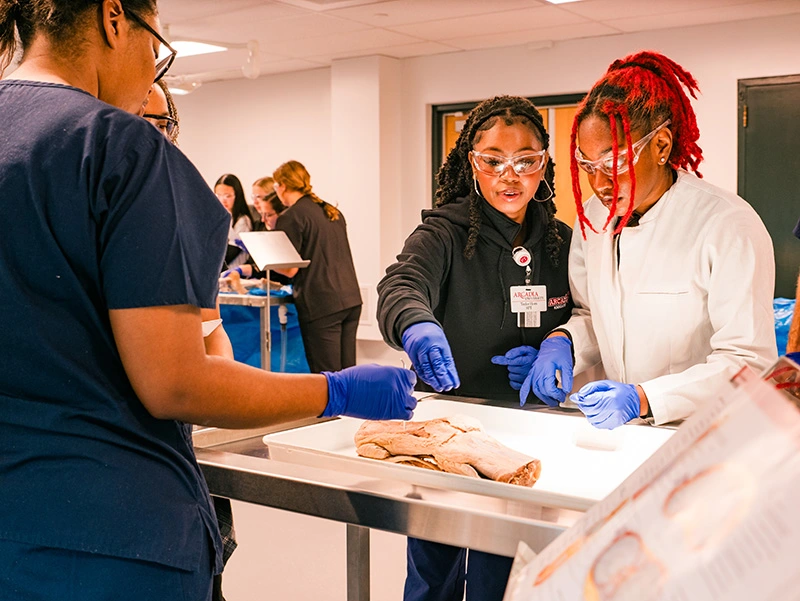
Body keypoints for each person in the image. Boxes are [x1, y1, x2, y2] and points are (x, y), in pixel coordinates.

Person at [0, 2, 417, 600]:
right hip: (105, 537)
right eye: (154, 47)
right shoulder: (119, 148)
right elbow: (175, 382)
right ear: (113, 18)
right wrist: (335, 390)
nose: (151, 71)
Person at [377, 96, 573, 601]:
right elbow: (401, 285)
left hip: (525, 436)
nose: (511, 176)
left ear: (544, 162)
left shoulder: (562, 241)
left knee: (500, 575)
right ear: (472, 161)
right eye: (492, 160)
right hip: (447, 431)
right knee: (433, 575)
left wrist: (557, 348)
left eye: (527, 161)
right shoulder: (442, 232)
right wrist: (416, 324)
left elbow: (584, 317)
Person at [523, 50, 777, 429]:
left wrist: (645, 398)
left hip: (704, 434)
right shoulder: (593, 216)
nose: (600, 183)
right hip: (623, 435)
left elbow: (748, 362)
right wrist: (564, 342)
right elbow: (593, 314)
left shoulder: (727, 224)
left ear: (660, 146)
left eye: (615, 163)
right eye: (588, 166)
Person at [141, 79, 237, 601]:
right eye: (136, 120)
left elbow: (212, 331)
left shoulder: (184, 211)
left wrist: (211, 391)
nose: (151, 135)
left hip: (183, 454)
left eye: (162, 124)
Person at [272, 160, 363, 373]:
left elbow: (290, 269)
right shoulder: (331, 211)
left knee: (328, 377)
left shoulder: (291, 216)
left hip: (321, 303)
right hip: (350, 299)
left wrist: (263, 262)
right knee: (348, 373)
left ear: (283, 186)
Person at [215, 173, 253, 270]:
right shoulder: (219, 218)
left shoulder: (243, 221)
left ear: (237, 196)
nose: (223, 200)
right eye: (218, 195)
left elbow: (229, 255)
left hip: (236, 273)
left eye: (228, 196)